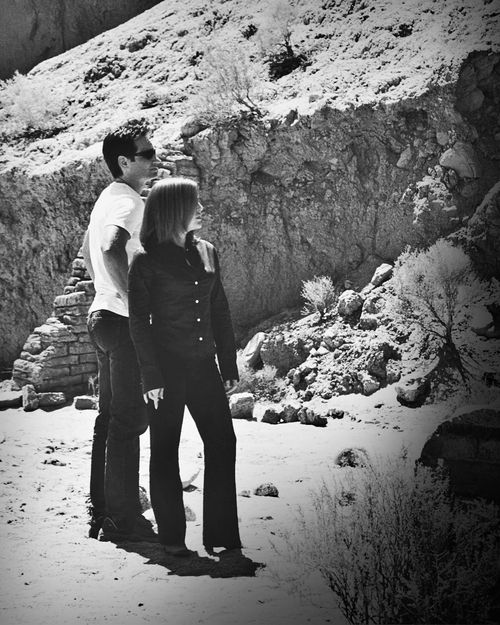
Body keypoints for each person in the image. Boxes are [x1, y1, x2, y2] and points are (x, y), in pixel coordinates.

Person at [128, 177, 241, 556]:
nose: (202, 209)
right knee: (165, 450)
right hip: (165, 372)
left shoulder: (208, 251)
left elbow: (219, 310)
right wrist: (150, 376)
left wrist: (229, 365)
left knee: (223, 442)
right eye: (195, 204)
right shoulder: (145, 260)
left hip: (204, 366)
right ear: (175, 210)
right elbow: (138, 323)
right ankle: (172, 539)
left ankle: (222, 535)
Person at [81, 119, 158, 542]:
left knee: (109, 419)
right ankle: (125, 520)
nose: (154, 159)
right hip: (122, 322)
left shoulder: (105, 199)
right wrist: (134, 303)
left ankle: (102, 512)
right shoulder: (129, 201)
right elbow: (110, 249)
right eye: (147, 154)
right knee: (129, 421)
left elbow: (89, 253)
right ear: (125, 162)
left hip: (101, 318)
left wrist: (106, 292)